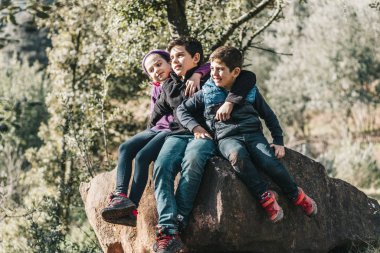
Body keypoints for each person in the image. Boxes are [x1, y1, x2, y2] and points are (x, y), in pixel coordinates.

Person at [177, 45, 317, 225]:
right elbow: (182, 110)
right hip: (226, 139)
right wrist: (195, 128)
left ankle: (296, 194)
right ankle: (265, 197)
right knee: (237, 156)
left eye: (220, 69)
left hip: (253, 135)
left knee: (268, 160)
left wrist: (278, 141)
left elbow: (269, 115)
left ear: (235, 72)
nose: (214, 73)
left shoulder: (249, 90)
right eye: (212, 69)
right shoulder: (206, 92)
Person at [150, 38, 256, 253]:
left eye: (180, 55)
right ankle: (168, 228)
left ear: (196, 58)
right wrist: (151, 131)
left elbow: (247, 77)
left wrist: (202, 75)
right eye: (172, 58)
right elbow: (156, 114)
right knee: (162, 166)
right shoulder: (169, 84)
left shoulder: (211, 75)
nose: (175, 60)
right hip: (179, 135)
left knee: (193, 161)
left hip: (207, 136)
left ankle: (178, 220)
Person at [100, 49, 209, 226]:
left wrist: (197, 74)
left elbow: (209, 65)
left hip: (172, 130)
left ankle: (133, 208)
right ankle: (120, 196)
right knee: (125, 148)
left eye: (159, 64)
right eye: (151, 70)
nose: (156, 70)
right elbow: (154, 116)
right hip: (156, 129)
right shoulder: (156, 88)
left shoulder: (181, 79)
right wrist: (148, 132)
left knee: (143, 157)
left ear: (170, 63)